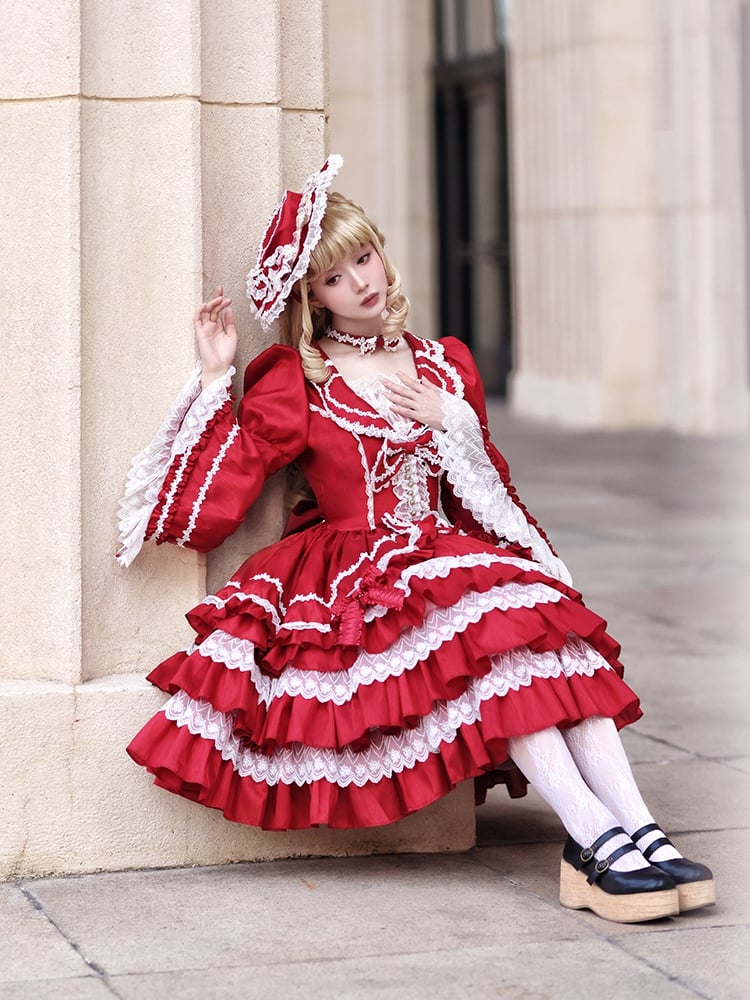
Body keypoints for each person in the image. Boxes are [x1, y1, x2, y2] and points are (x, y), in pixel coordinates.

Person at [118, 155, 713, 923]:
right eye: (336, 276)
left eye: (365, 257)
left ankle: (637, 830)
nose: (362, 281)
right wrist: (213, 380)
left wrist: (452, 422)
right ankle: (594, 841)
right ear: (312, 296)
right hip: (360, 576)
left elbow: (487, 488)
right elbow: (215, 502)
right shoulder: (298, 380)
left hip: (447, 552)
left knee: (548, 638)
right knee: (502, 648)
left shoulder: (444, 363)